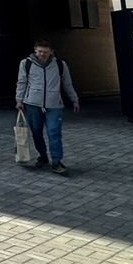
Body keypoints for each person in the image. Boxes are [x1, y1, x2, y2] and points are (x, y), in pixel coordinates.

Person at [15, 39, 80, 174]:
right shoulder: (26, 63)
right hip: (32, 104)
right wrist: (19, 100)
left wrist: (74, 99)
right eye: (39, 51)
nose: (42, 54)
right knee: (36, 133)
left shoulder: (60, 65)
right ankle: (43, 156)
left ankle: (56, 162)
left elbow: (67, 83)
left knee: (54, 132)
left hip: (54, 105)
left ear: (51, 52)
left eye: (45, 52)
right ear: (35, 50)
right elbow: (22, 82)